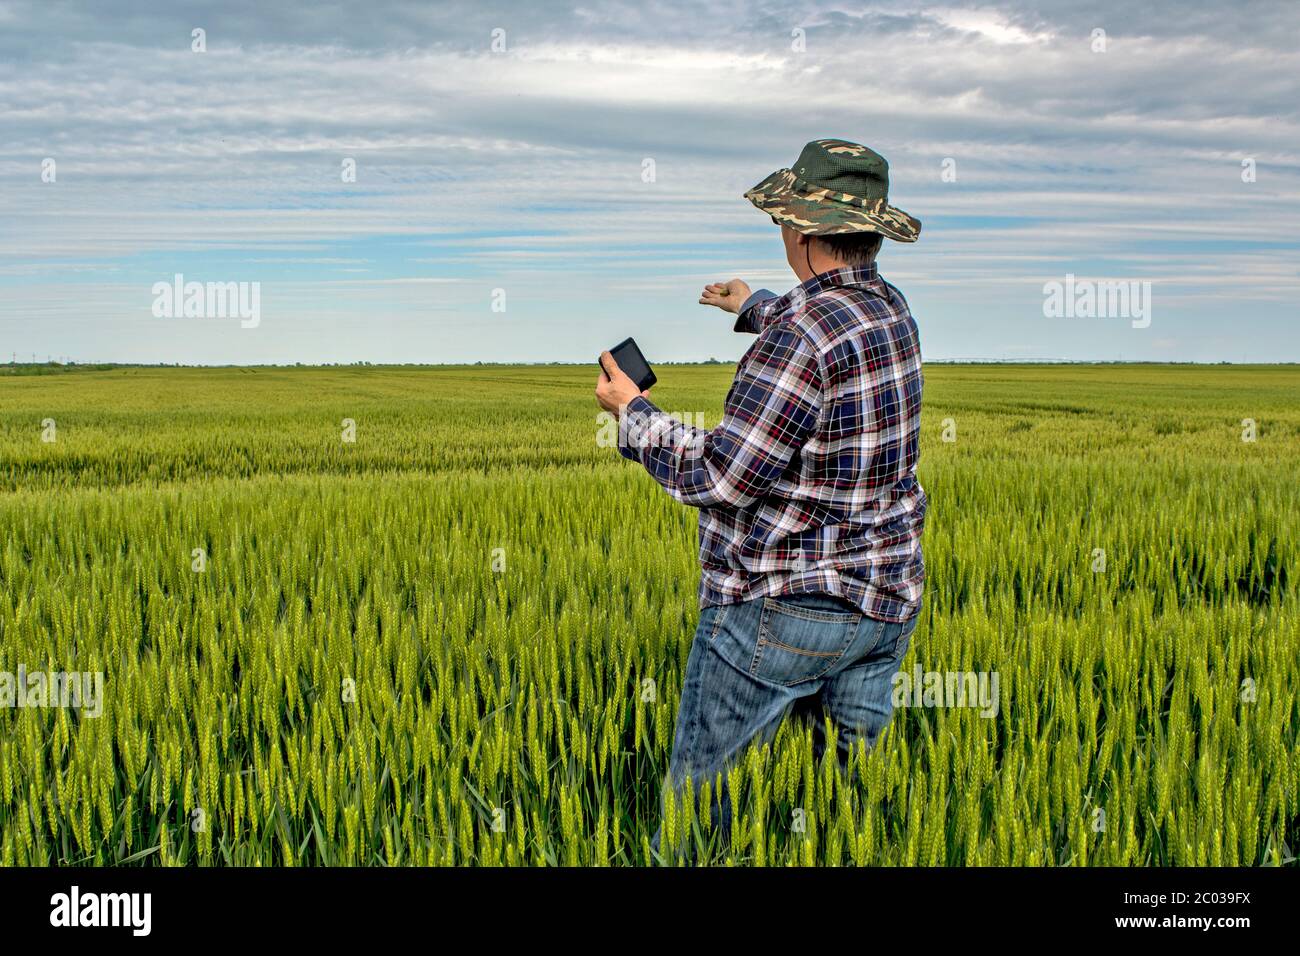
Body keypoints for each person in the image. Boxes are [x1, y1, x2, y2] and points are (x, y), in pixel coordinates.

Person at [594, 139, 926, 858]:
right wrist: (753, 305)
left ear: (800, 231)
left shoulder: (800, 338)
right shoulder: (891, 310)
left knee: (695, 823)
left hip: (781, 610)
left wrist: (634, 414)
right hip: (883, 603)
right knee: (844, 813)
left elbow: (723, 475)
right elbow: (824, 325)